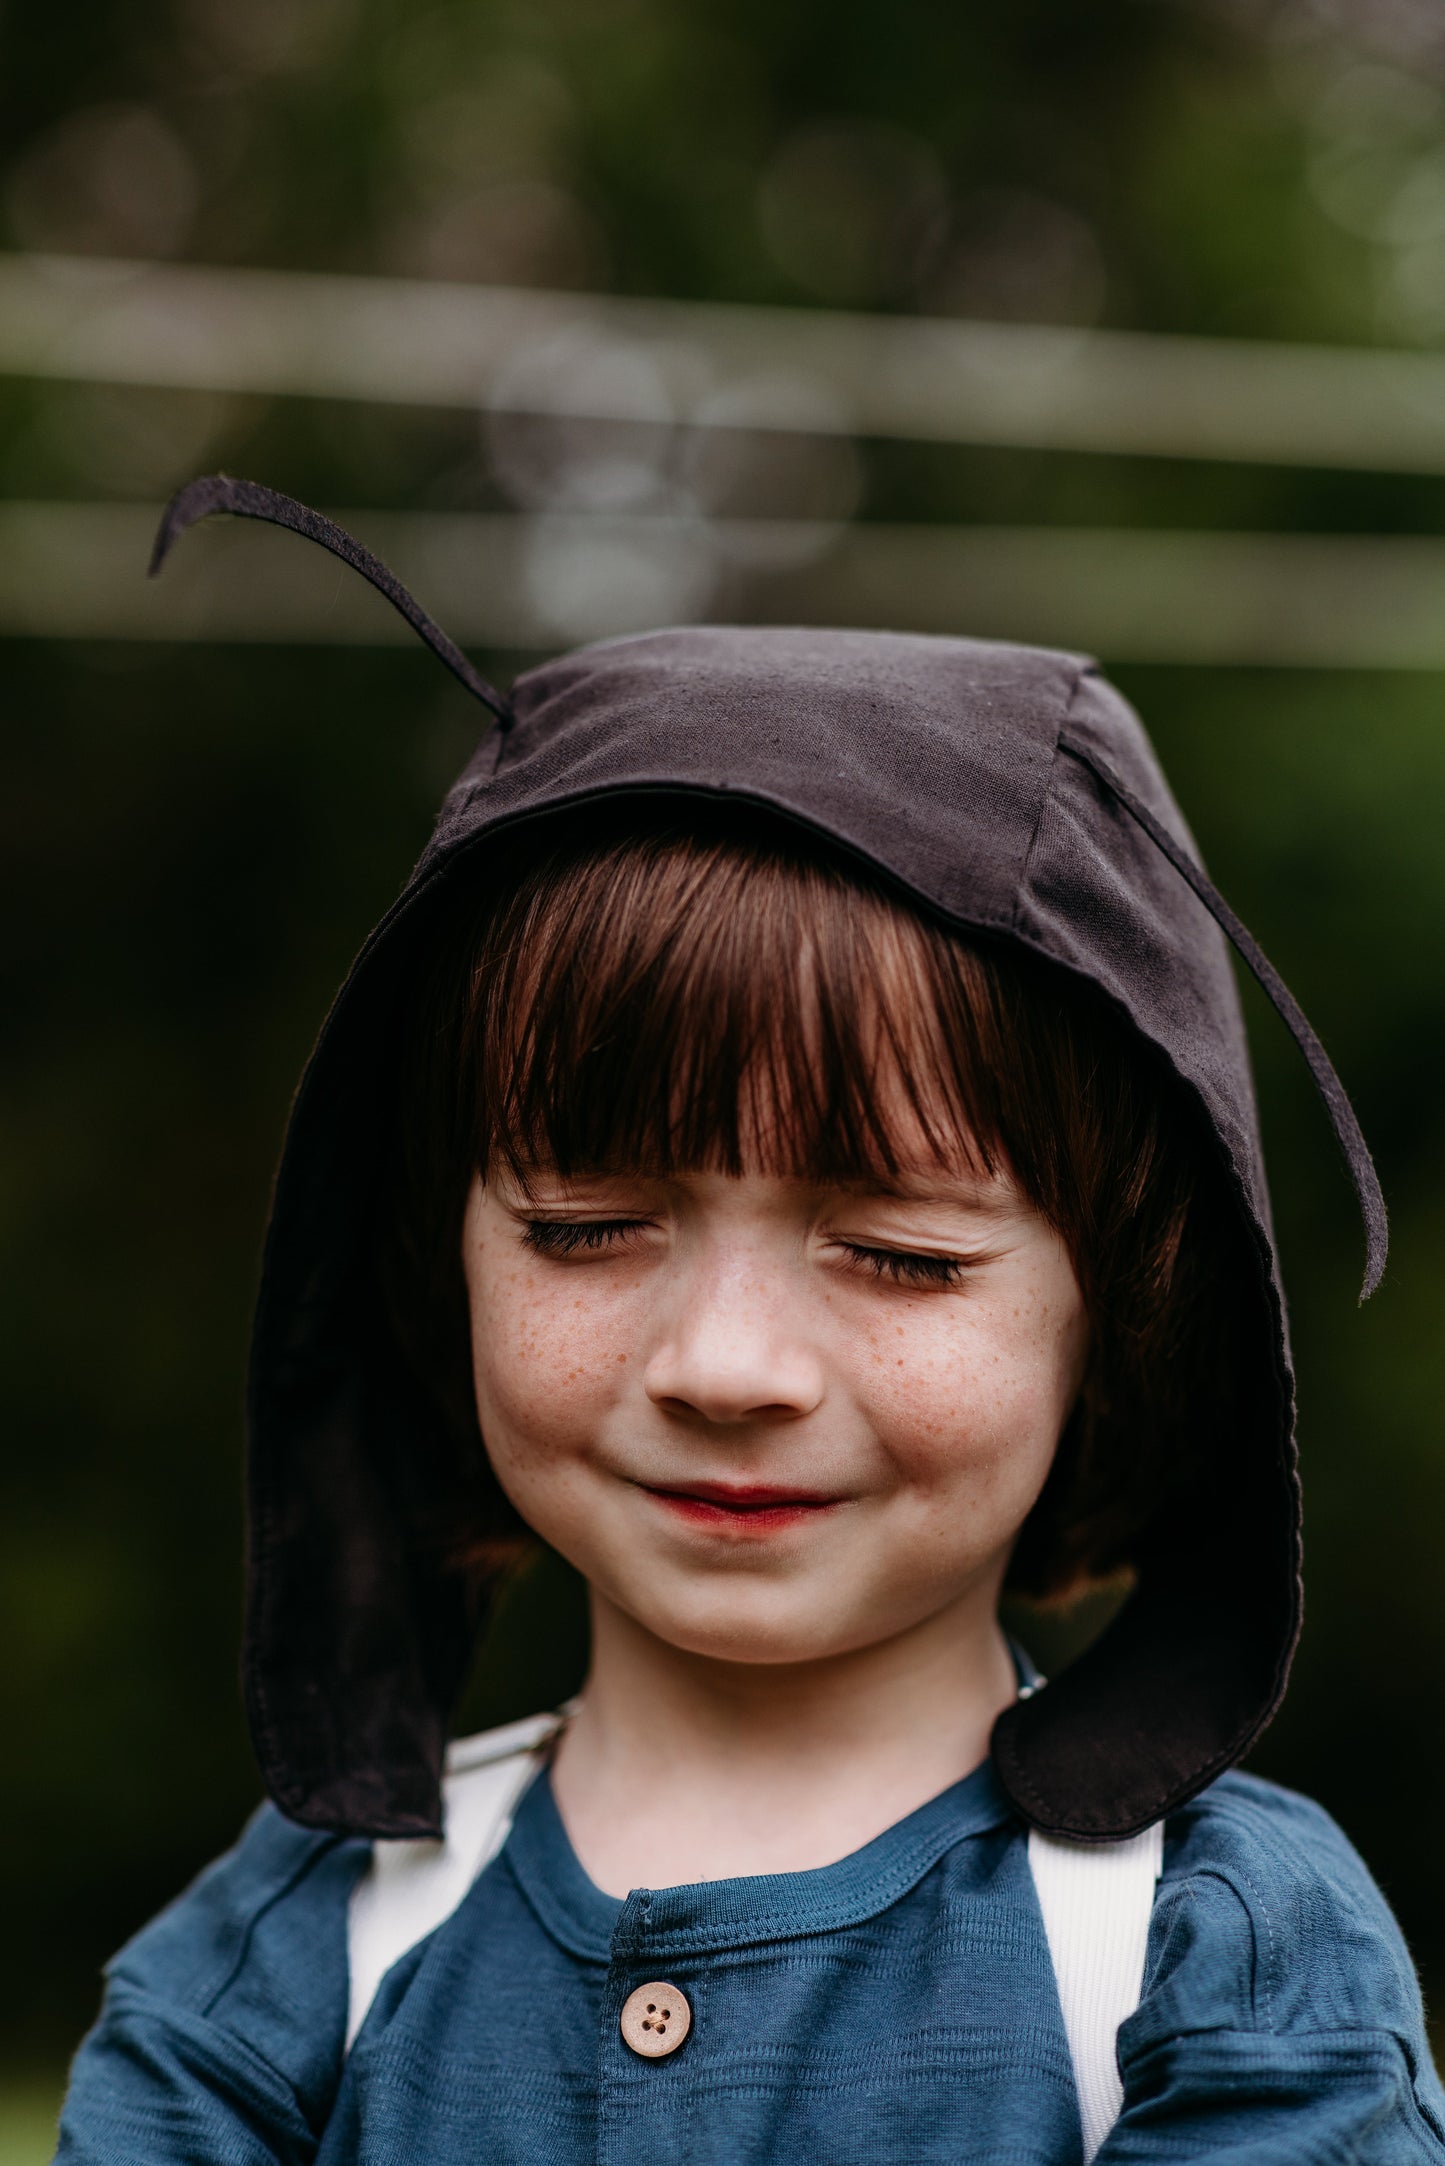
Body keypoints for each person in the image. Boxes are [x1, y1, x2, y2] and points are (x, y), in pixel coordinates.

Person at [53, 477, 1444, 2163]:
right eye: (587, 1226)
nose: (724, 1365)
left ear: (1129, 1310)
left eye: (901, 1253)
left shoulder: (1206, 1959)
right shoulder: (279, 1961)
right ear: (434, 1257)